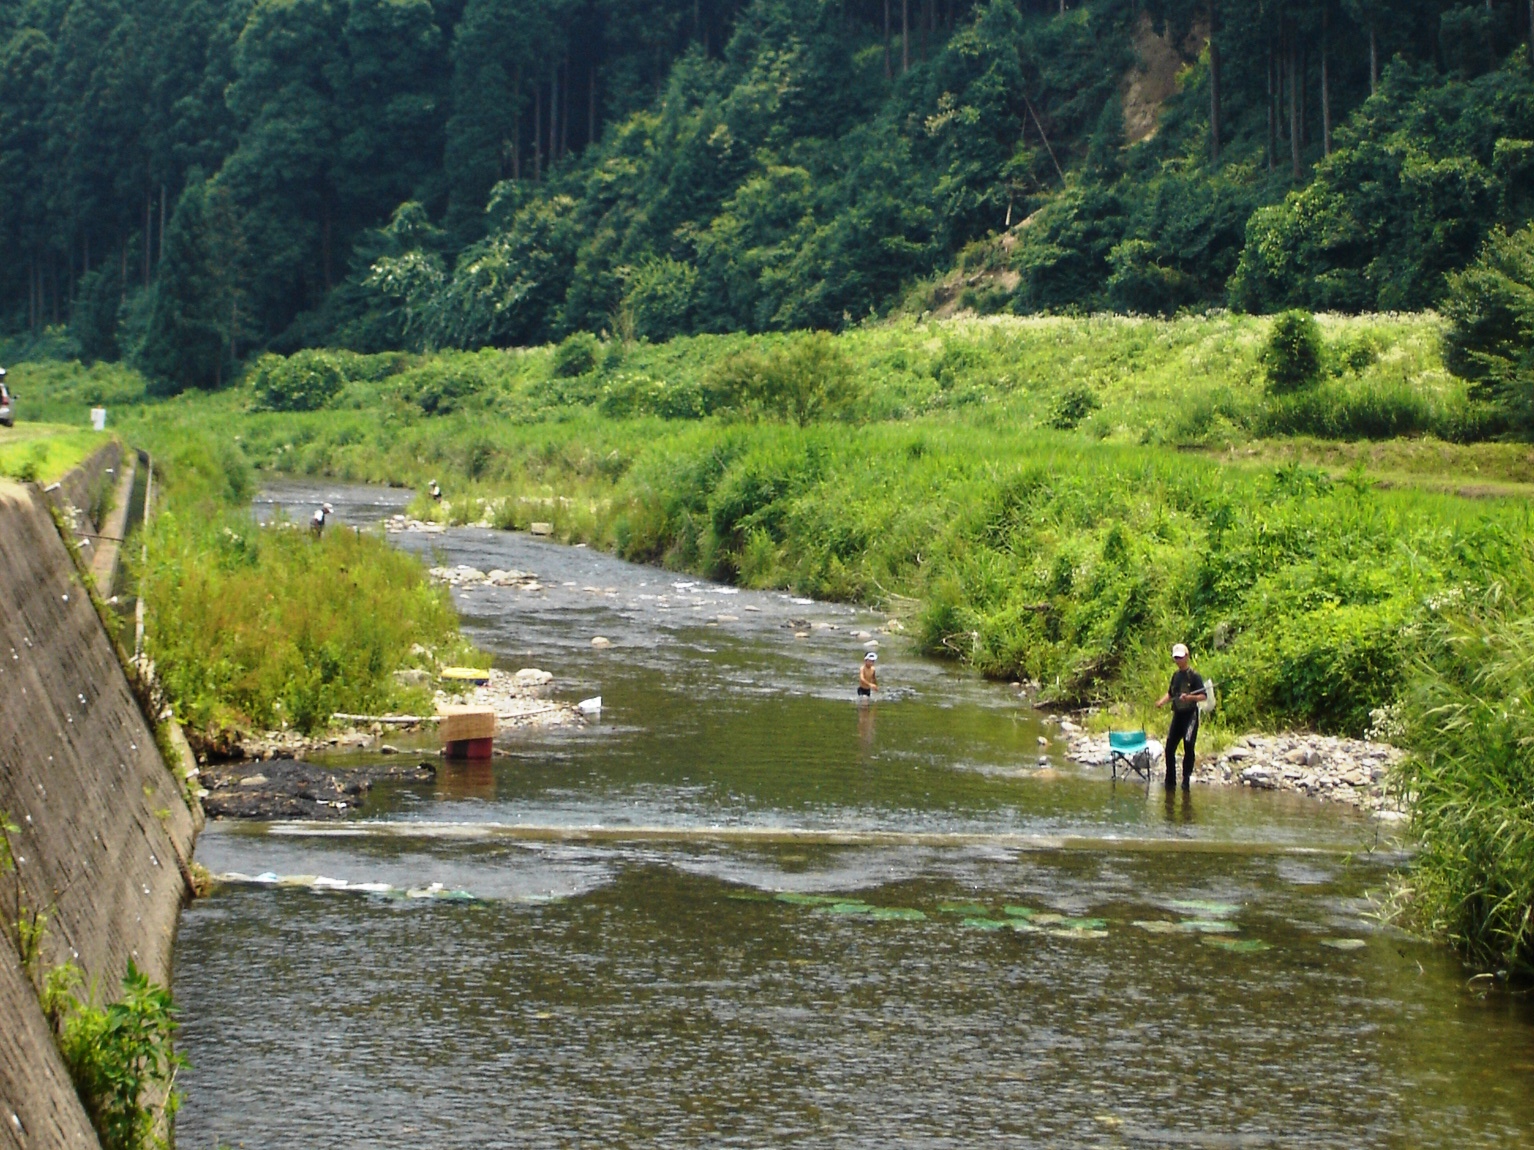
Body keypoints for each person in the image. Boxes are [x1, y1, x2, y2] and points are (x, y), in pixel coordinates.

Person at [1155, 642, 1206, 789]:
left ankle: (1186, 779)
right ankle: (1170, 780)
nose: (1178, 661)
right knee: (1169, 747)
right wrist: (1161, 702)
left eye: (1180, 657)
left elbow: (1203, 696)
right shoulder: (1175, 676)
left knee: (1188, 745)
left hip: (1190, 715)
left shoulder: (1194, 676)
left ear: (1187, 657)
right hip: (1178, 714)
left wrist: (1189, 698)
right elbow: (1171, 693)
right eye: (1176, 658)